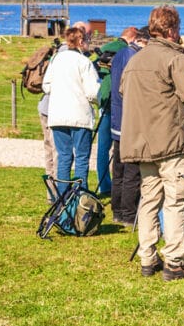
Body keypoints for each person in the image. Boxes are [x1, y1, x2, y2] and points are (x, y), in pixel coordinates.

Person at [120, 6, 184, 280]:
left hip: (143, 142)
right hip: (170, 140)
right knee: (176, 201)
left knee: (149, 199)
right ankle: (175, 261)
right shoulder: (173, 58)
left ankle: (148, 257)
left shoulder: (135, 59)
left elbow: (124, 91)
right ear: (172, 30)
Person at [42, 25, 100, 196]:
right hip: (80, 116)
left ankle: (62, 199)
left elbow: (46, 86)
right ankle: (79, 198)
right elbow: (92, 91)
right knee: (82, 159)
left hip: (58, 115)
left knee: (64, 158)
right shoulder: (84, 62)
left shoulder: (56, 60)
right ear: (81, 41)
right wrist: (98, 100)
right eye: (87, 40)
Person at [108, 26, 147, 225]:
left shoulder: (120, 54)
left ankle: (117, 210)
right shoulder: (135, 58)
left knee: (119, 170)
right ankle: (129, 214)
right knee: (132, 171)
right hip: (130, 120)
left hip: (116, 118)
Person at [93, 30, 131, 196]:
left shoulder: (107, 47)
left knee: (103, 147)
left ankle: (104, 185)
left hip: (104, 100)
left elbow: (94, 67)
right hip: (119, 102)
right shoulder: (126, 52)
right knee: (120, 145)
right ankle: (121, 183)